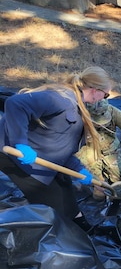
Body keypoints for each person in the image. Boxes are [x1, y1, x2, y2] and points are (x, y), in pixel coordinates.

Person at [0, 66, 113, 232]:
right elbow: (15, 103)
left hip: (40, 153)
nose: (105, 99)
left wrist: (82, 172)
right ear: (95, 90)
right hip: (12, 154)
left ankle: (82, 226)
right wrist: (20, 143)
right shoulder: (62, 100)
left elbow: (61, 148)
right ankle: (71, 233)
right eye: (106, 95)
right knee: (55, 204)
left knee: (64, 186)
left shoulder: (77, 105)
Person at [76, 99, 121, 200]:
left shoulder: (114, 112)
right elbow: (66, 148)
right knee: (99, 190)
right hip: (87, 152)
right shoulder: (76, 117)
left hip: (110, 150)